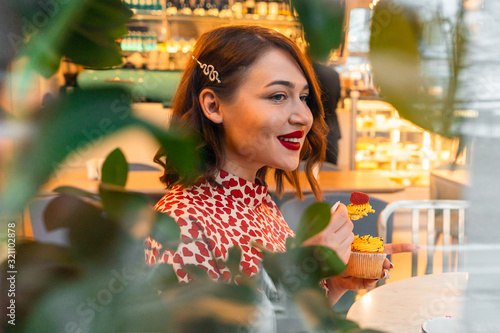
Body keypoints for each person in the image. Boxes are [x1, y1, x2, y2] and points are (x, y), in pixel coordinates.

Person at [145, 25, 413, 308]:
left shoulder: (258, 202)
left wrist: (333, 285)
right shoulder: (183, 226)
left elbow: (283, 317)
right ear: (213, 106)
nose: (303, 117)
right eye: (278, 96)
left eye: (304, 98)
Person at [311, 61, 342, 165]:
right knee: (330, 173)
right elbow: (337, 101)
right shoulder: (333, 74)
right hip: (330, 131)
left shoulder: (304, 71)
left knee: (302, 174)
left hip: (309, 132)